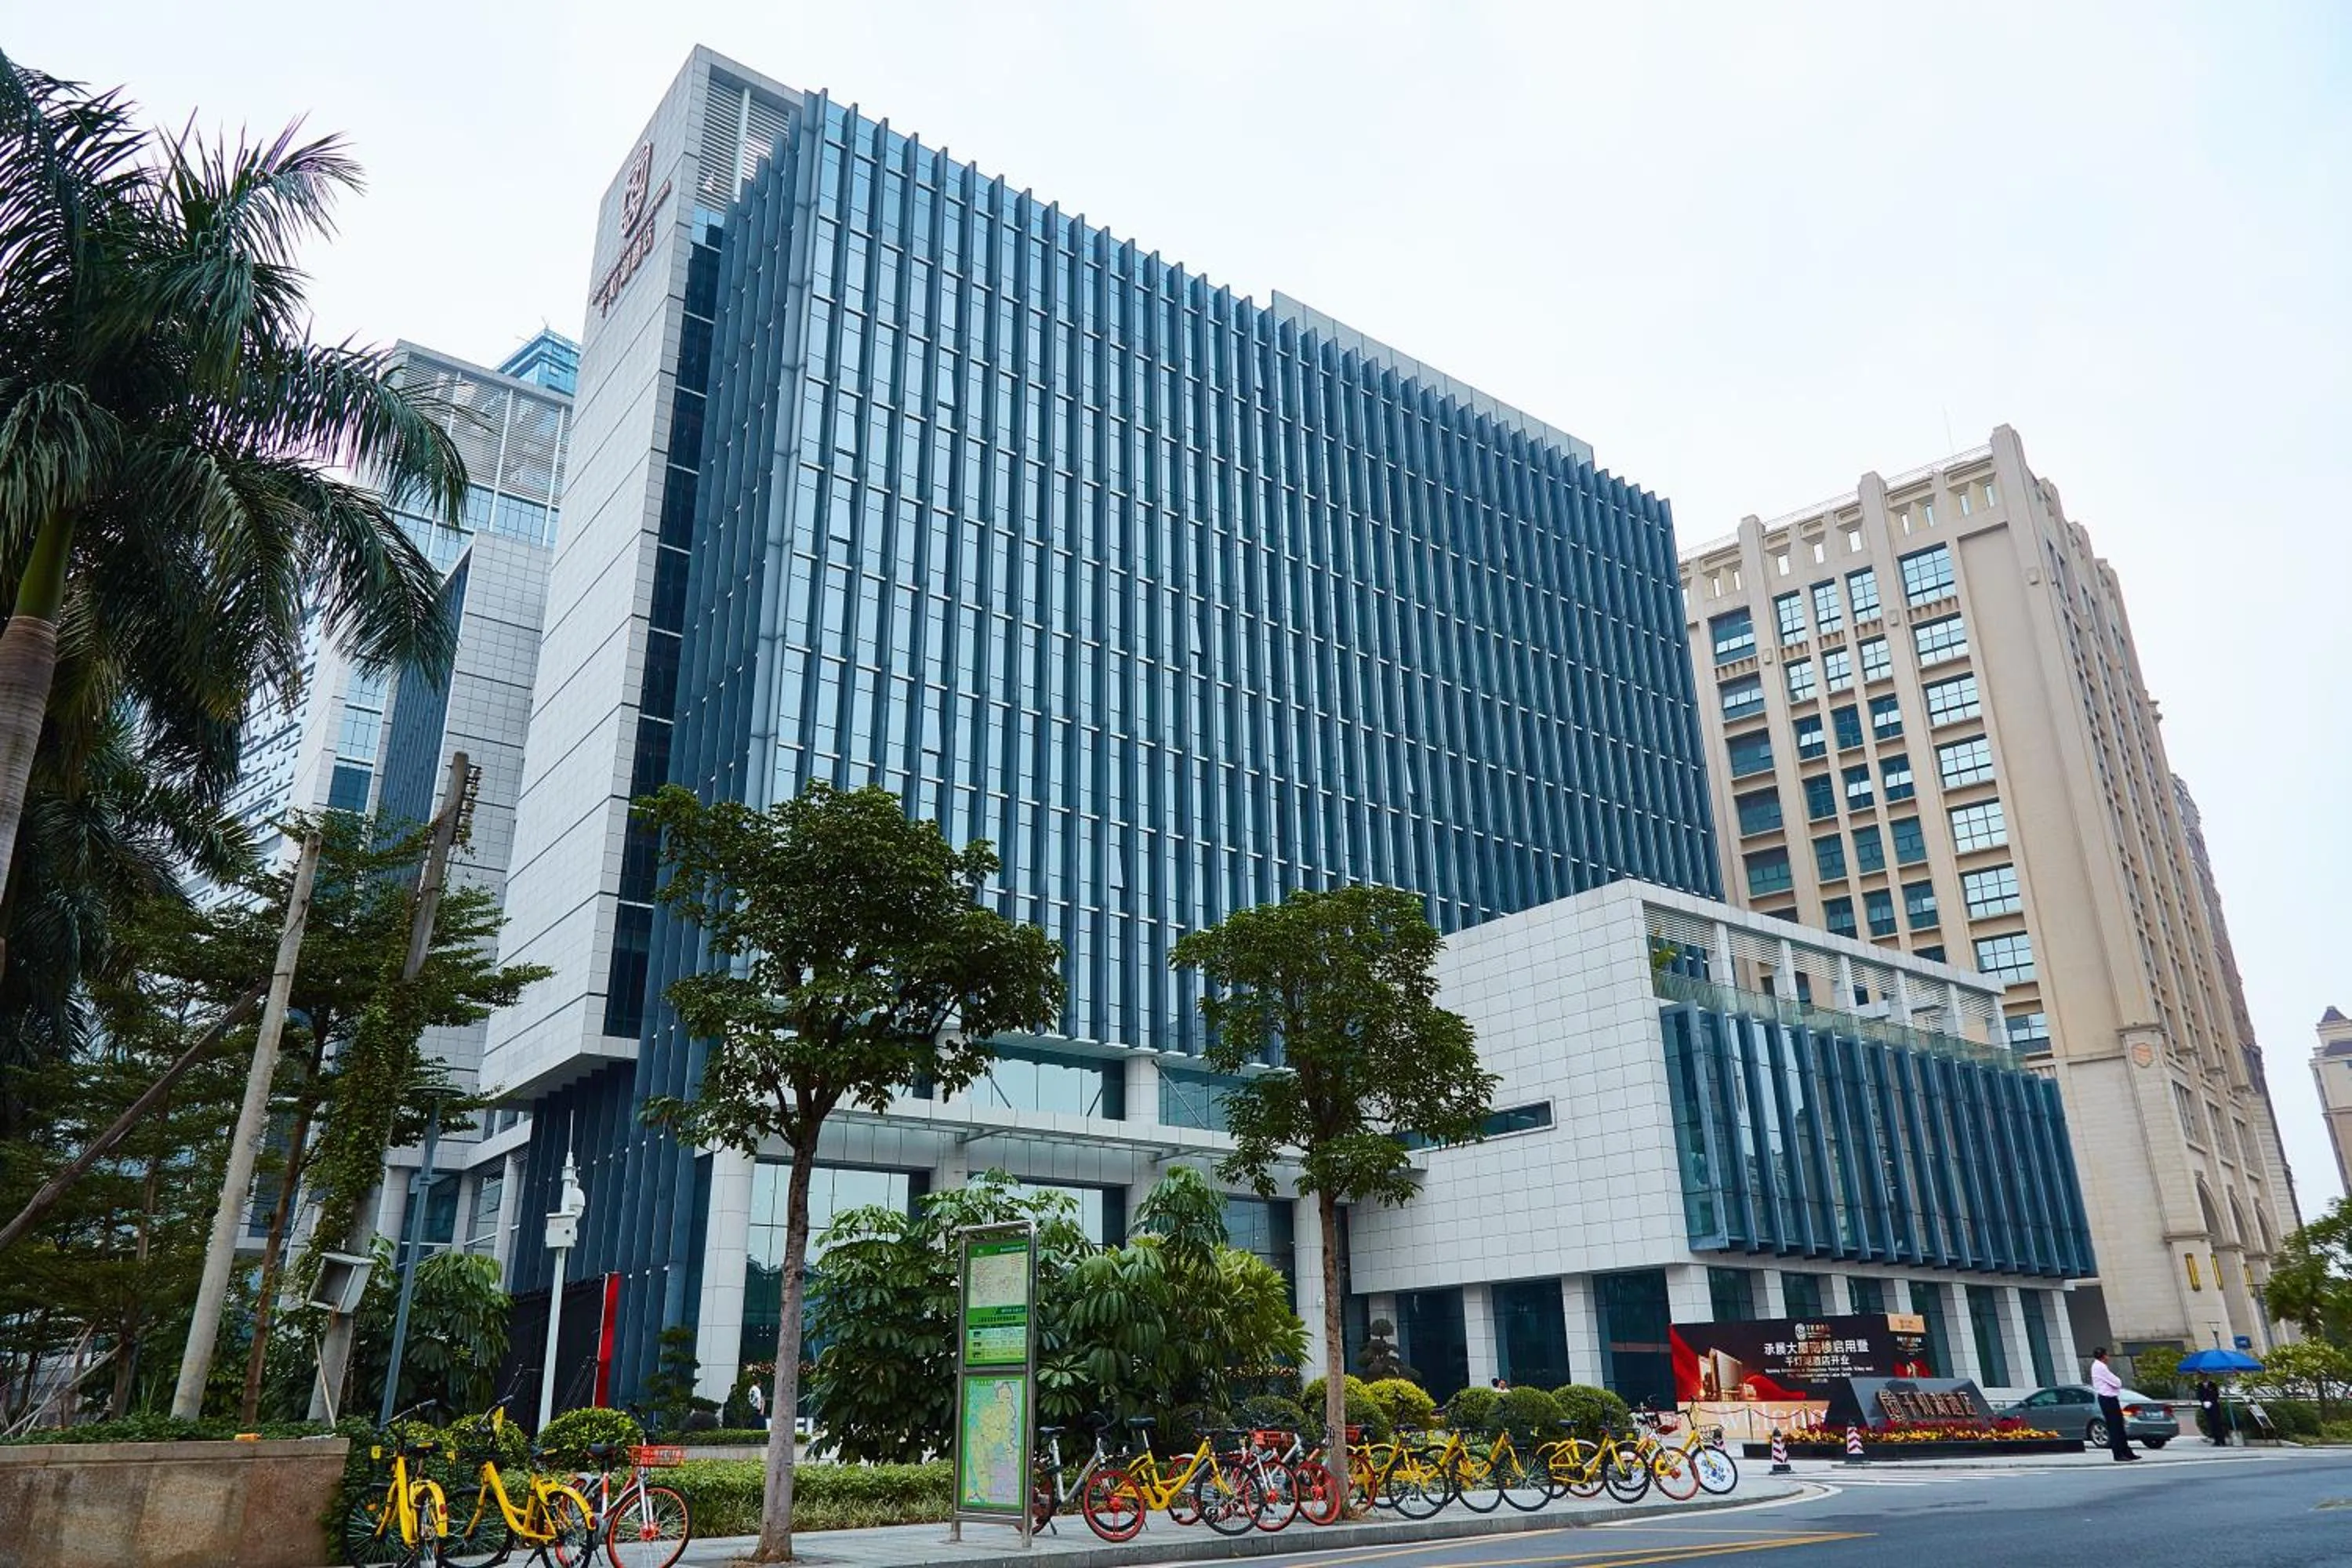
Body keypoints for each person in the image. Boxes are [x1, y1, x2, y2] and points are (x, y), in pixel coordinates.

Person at [2090, 1348, 2137, 1461]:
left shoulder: (2098, 1366)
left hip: (2108, 1399)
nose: (2108, 1358)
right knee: (2115, 1427)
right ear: (2104, 1356)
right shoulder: (2100, 1367)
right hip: (2108, 1399)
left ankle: (2126, 1451)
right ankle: (2119, 1453)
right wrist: (2117, 1381)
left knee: (2118, 1426)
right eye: (2107, 1355)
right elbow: (2116, 1382)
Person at [2198, 1377, 2226, 1446]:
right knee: (2211, 1424)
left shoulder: (2212, 1384)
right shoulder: (2200, 1385)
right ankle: (2216, 1440)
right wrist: (2203, 1402)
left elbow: (2216, 1394)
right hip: (2206, 1406)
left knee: (2218, 1423)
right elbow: (2199, 1395)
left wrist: (2211, 1401)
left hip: (2214, 1406)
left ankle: (2222, 1440)